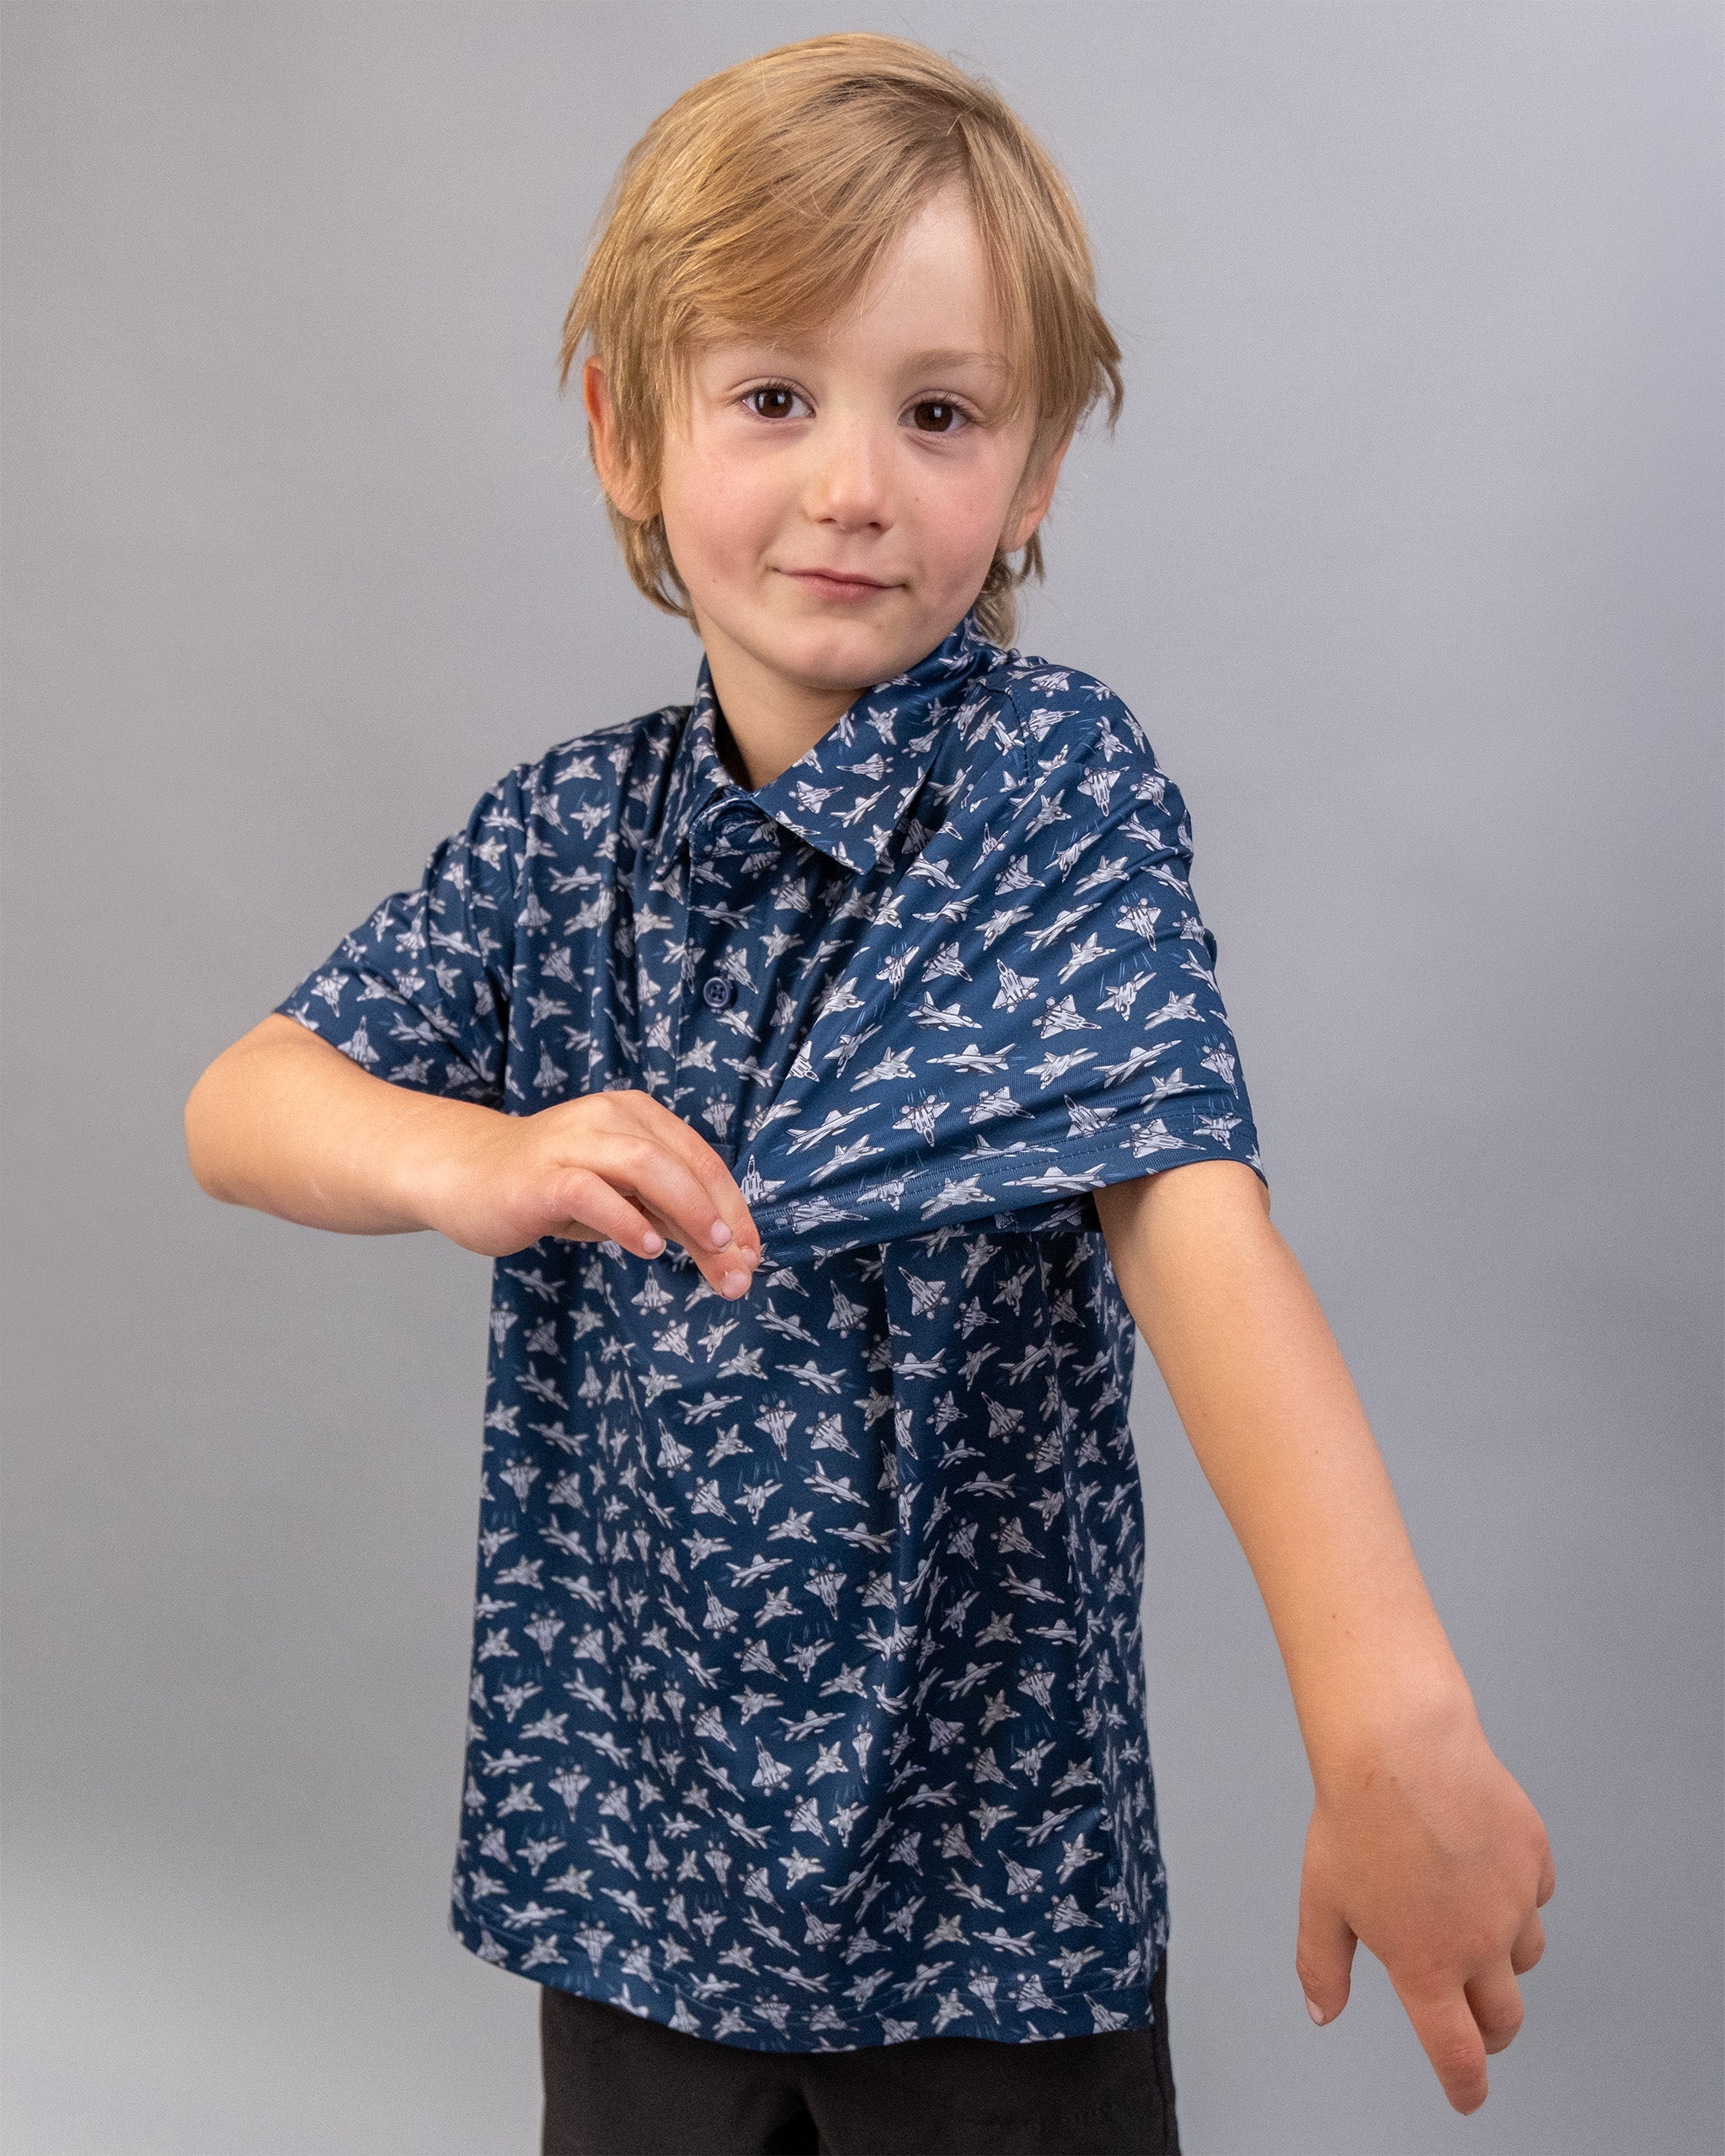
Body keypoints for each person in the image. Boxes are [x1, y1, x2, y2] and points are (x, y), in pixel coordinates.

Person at [184, 32, 1554, 2156]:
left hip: (986, 1896)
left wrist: (1387, 1715)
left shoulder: (1048, 793)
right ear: (623, 434)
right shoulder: (565, 846)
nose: (851, 482)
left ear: (1034, 472)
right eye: (770, 398)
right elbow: (245, 1101)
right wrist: (479, 1154)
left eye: (937, 413)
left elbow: (1192, 1218)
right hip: (636, 1872)